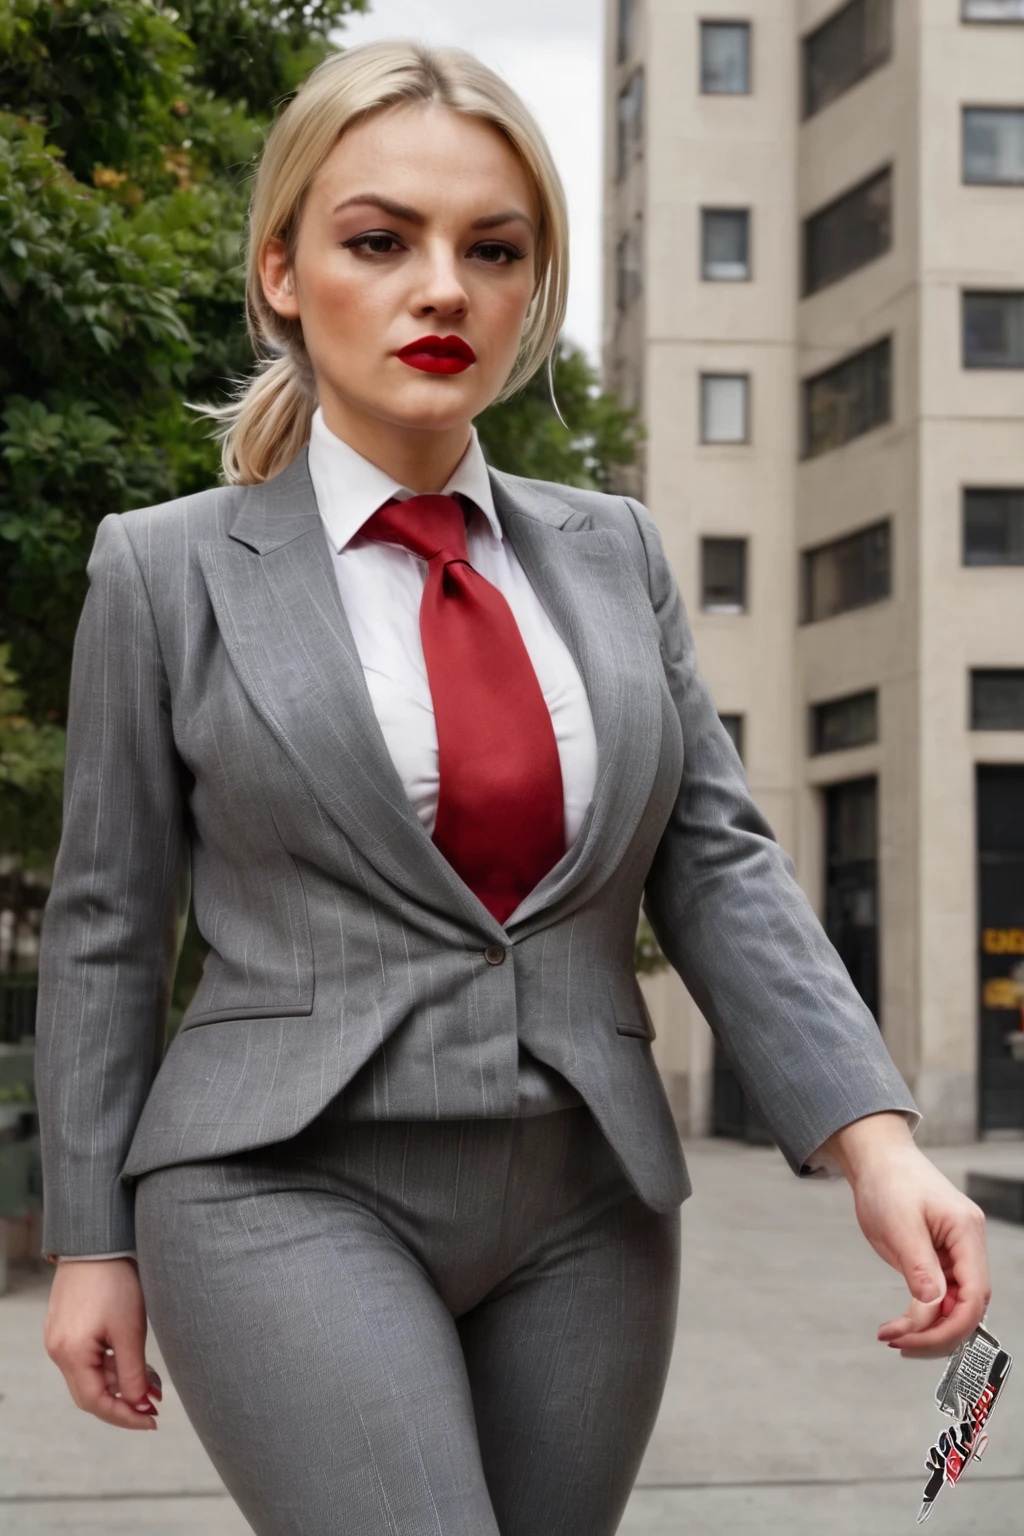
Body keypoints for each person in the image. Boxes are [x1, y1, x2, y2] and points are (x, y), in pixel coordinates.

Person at [35, 38, 991, 1536]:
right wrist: (92, 1235)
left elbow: (718, 861)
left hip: (589, 1204)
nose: (443, 289)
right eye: (379, 240)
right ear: (282, 271)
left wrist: (874, 1139)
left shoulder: (614, 551)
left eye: (494, 249)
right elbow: (104, 923)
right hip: (277, 1182)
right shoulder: (161, 571)